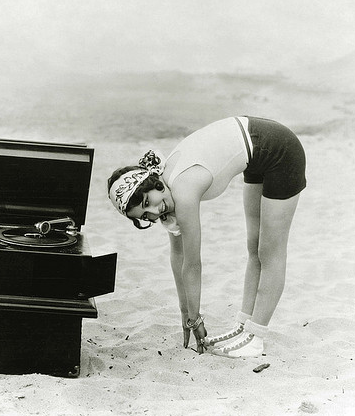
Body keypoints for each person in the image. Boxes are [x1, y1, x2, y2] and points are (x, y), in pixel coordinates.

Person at [107, 116, 305, 358]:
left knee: (269, 251)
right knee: (254, 248)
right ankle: (244, 326)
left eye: (149, 202)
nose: (154, 212)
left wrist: (195, 317)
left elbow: (192, 264)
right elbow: (177, 255)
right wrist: (185, 312)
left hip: (280, 150)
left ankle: (256, 335)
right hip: (257, 156)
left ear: (155, 183)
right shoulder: (165, 195)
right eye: (145, 216)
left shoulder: (183, 191)